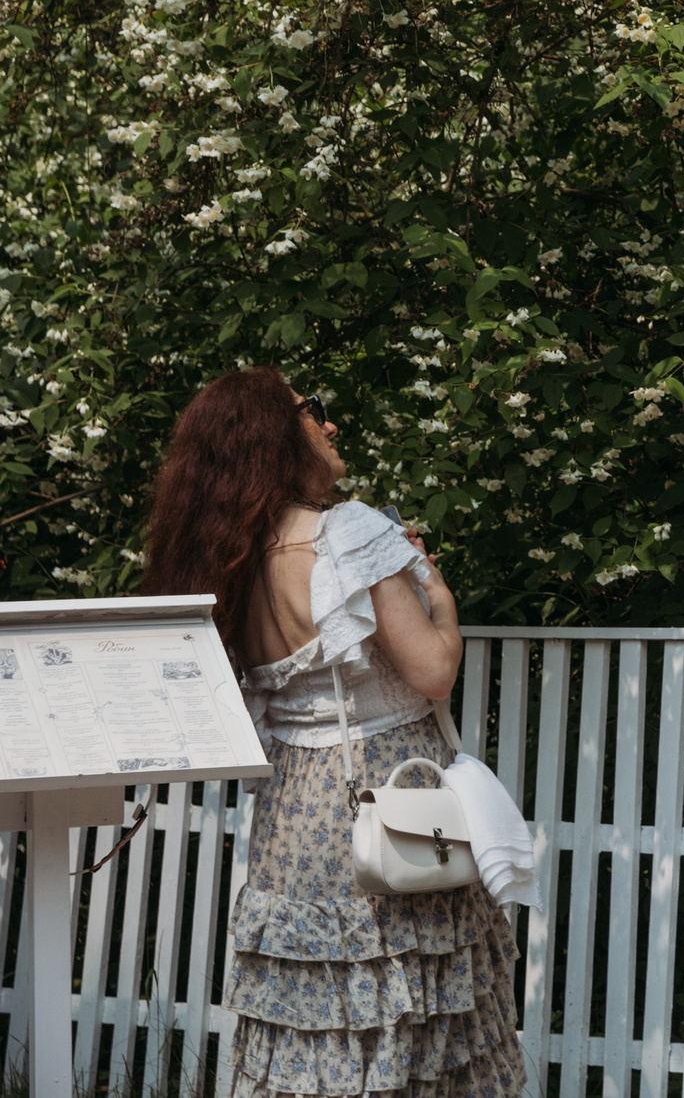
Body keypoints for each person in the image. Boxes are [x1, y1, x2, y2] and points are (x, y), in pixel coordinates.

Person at [140, 368, 525, 1098]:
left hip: (295, 813)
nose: (329, 423)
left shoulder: (229, 556)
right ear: (273, 435)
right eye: (312, 409)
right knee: (407, 996)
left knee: (317, 1008)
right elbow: (433, 671)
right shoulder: (347, 531)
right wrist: (438, 594)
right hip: (383, 794)